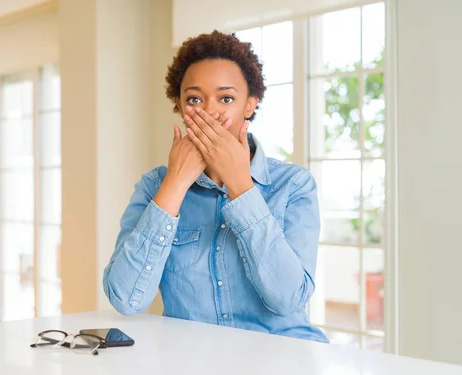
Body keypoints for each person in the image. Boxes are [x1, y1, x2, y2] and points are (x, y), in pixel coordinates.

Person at [103, 30, 328, 343]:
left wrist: (240, 186)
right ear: (180, 107)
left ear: (250, 104)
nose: (209, 112)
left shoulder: (293, 186)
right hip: (194, 370)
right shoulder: (154, 186)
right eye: (195, 99)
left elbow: (289, 299)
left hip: (283, 366)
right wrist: (176, 183)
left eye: (226, 98)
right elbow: (126, 300)